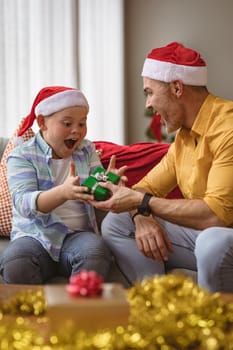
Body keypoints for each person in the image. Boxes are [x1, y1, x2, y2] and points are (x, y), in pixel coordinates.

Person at [90, 42, 233, 293]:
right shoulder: (183, 138)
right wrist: (141, 215)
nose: (148, 104)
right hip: (210, 238)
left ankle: (213, 325)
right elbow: (146, 187)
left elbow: (216, 216)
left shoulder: (228, 128)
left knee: (212, 241)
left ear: (177, 87)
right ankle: (157, 306)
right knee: (117, 222)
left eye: (150, 92)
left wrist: (143, 202)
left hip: (221, 236)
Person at [0, 86, 126, 284]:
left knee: (96, 252)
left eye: (82, 123)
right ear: (42, 122)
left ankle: (77, 312)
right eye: (67, 123)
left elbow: (95, 189)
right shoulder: (22, 155)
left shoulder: (86, 149)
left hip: (78, 235)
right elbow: (23, 203)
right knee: (15, 261)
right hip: (35, 236)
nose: (76, 130)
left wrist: (107, 182)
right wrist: (63, 193)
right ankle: (33, 315)